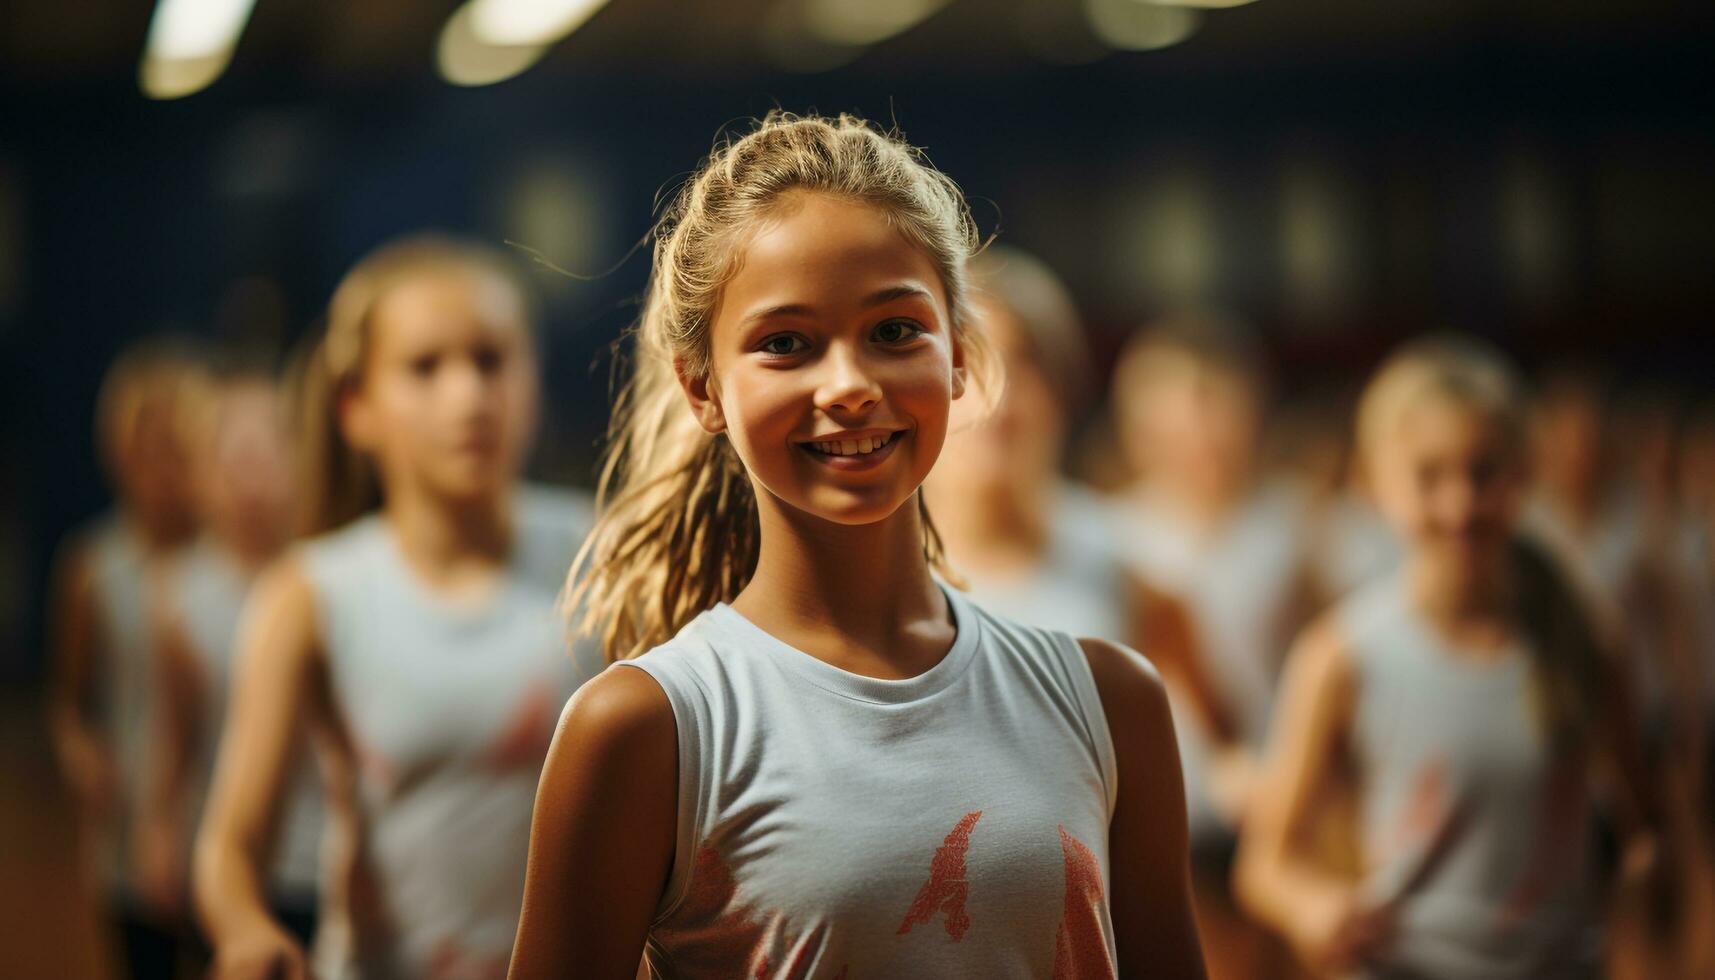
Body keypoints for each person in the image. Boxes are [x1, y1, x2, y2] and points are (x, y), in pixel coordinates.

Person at [508, 112, 1205, 979]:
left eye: (892, 331)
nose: (848, 385)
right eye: (786, 345)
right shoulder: (647, 730)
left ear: (958, 352)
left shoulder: (1109, 703)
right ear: (702, 388)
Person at [192, 235, 599, 979]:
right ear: (357, 407)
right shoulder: (312, 593)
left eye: (490, 359)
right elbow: (230, 844)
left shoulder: (607, 555)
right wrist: (246, 929)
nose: (468, 395)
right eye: (425, 367)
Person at [1236, 335, 1669, 978]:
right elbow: (1265, 863)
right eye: (1428, 475)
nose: (1460, 505)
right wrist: (1316, 907)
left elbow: (1647, 833)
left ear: (1523, 473)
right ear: (1377, 483)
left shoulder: (1583, 640)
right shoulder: (1343, 655)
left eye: (1484, 472)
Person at [923, 245, 1195, 663]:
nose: (996, 399)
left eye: (1022, 364)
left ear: (1061, 390)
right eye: (967, 364)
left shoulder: (1123, 560)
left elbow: (1215, 723)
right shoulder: (870, 568)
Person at [138, 356, 323, 950]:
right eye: (235, 456)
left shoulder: (329, 579)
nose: (253, 475)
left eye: (268, 452)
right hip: (231, 854)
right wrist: (162, 827)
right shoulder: (183, 602)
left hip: (326, 858)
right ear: (205, 472)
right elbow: (178, 734)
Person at [48, 337, 203, 977]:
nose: (159, 466)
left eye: (175, 446)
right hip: (129, 828)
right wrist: (82, 755)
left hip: (218, 823)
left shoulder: (232, 567)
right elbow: (71, 701)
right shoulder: (94, 568)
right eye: (145, 446)